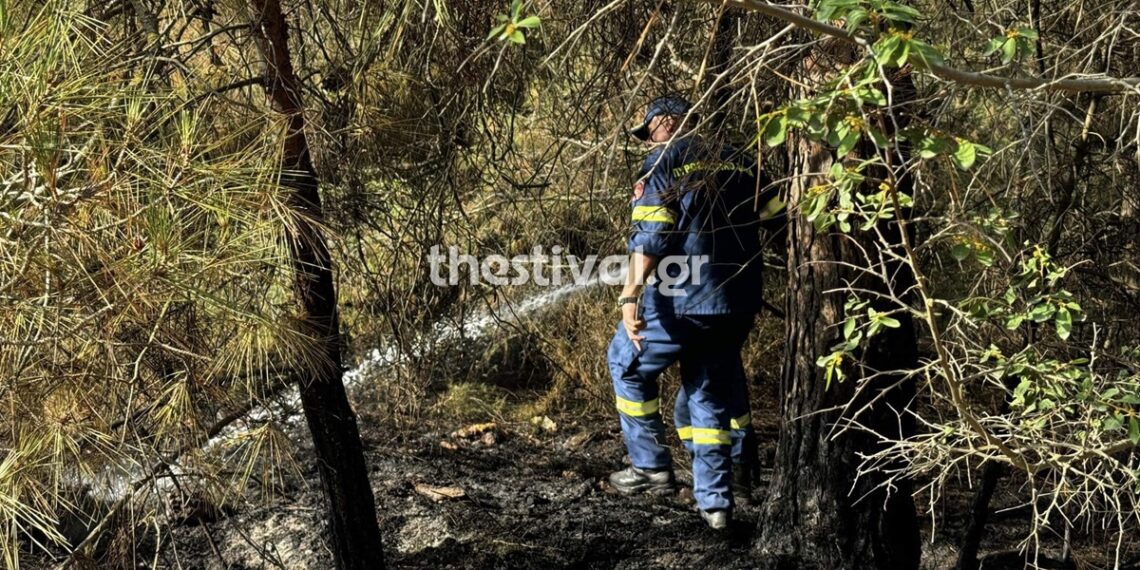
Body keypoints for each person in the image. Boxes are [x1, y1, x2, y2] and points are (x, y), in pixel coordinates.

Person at [606, 95, 784, 530]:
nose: (648, 142)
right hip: (736, 302)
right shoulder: (744, 159)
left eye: (649, 132)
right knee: (705, 392)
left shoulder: (664, 162)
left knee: (625, 362)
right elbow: (781, 221)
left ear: (666, 124)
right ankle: (717, 505)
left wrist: (630, 295)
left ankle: (649, 468)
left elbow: (652, 235)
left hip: (683, 299)